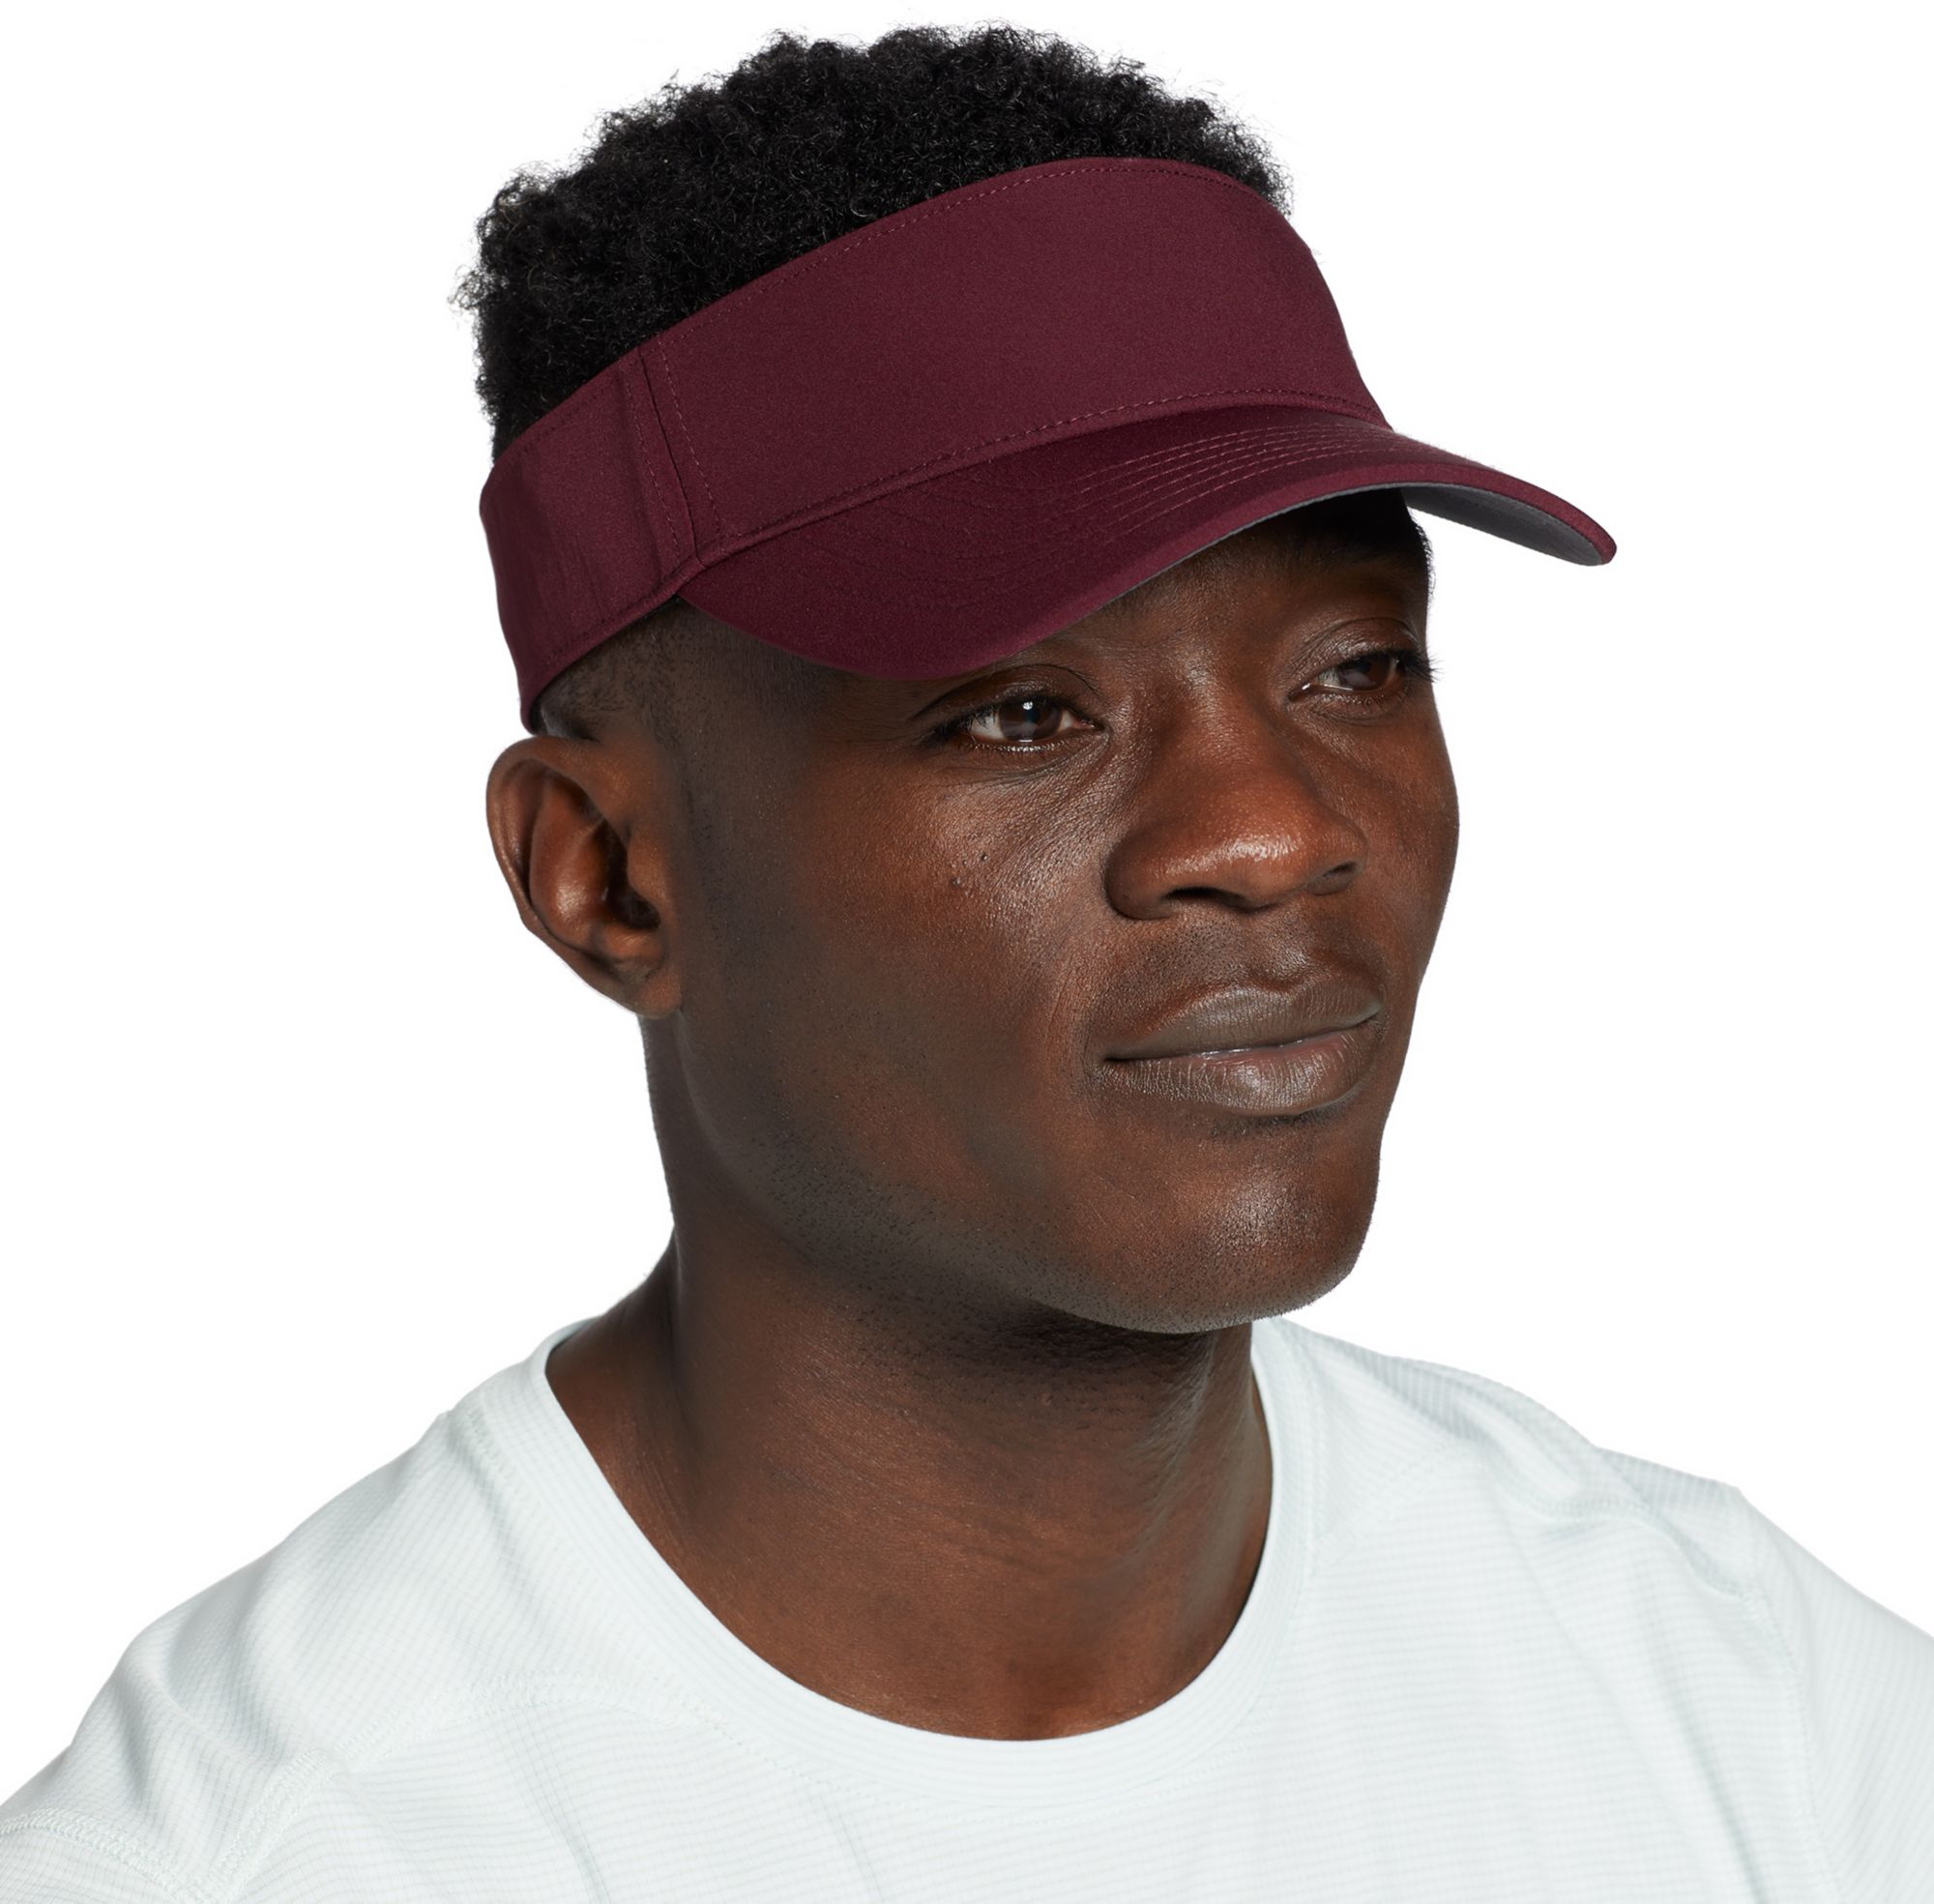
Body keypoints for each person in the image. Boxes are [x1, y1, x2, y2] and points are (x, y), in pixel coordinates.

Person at [4, 22, 1929, 1902]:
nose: (1274, 830)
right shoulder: (286, 1848)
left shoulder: (1759, 1719)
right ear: (606, 877)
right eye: (1022, 714)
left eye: (1356, 667)